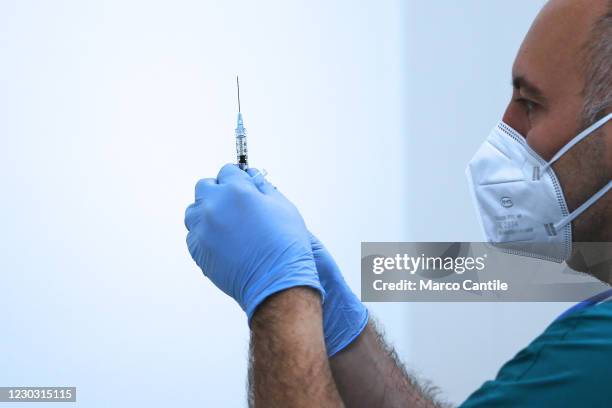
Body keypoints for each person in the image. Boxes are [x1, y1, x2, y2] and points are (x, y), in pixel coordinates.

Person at [184, 0, 612, 406]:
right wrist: (338, 328)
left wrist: (279, 294)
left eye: (530, 103)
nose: (505, 128)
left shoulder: (596, 357)